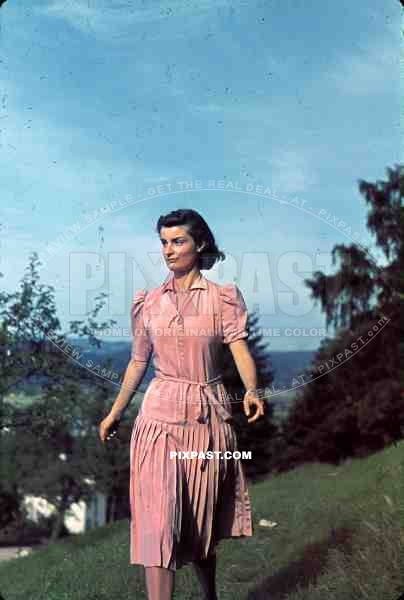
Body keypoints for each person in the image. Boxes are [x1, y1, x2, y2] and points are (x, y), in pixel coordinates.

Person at [99, 209, 265, 600]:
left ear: (200, 244)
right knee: (158, 525)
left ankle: (209, 595)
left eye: (178, 241)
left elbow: (238, 347)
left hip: (207, 419)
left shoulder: (222, 298)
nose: (168, 251)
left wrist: (252, 389)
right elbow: (138, 360)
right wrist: (115, 411)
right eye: (163, 242)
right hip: (157, 417)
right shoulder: (148, 302)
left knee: (199, 526)